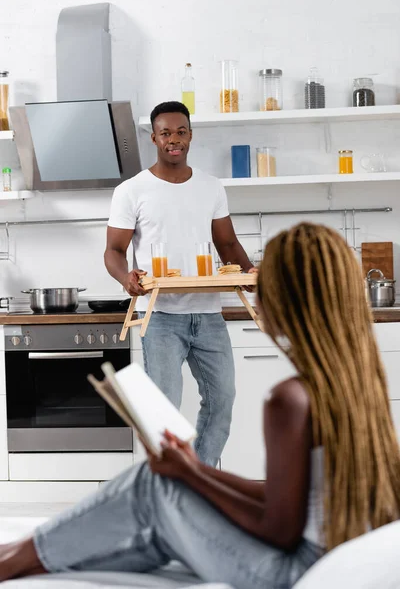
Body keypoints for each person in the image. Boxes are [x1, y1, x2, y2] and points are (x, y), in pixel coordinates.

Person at [1, 222, 399, 588]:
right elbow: (284, 500)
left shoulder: (290, 400)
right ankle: (22, 559)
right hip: (316, 557)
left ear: (287, 299)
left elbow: (279, 529)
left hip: (286, 573)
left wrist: (190, 475)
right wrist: (190, 470)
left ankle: (13, 559)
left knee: (152, 485)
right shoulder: (357, 383)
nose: (256, 294)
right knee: (163, 497)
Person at [104, 101, 256, 468]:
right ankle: (168, 484)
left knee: (222, 400)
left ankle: (200, 481)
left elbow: (228, 245)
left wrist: (252, 275)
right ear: (154, 138)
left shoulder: (210, 187)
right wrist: (127, 277)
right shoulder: (132, 190)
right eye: (166, 133)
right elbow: (113, 250)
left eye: (181, 132)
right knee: (164, 411)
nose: (174, 140)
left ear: (190, 135)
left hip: (208, 315)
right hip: (160, 317)